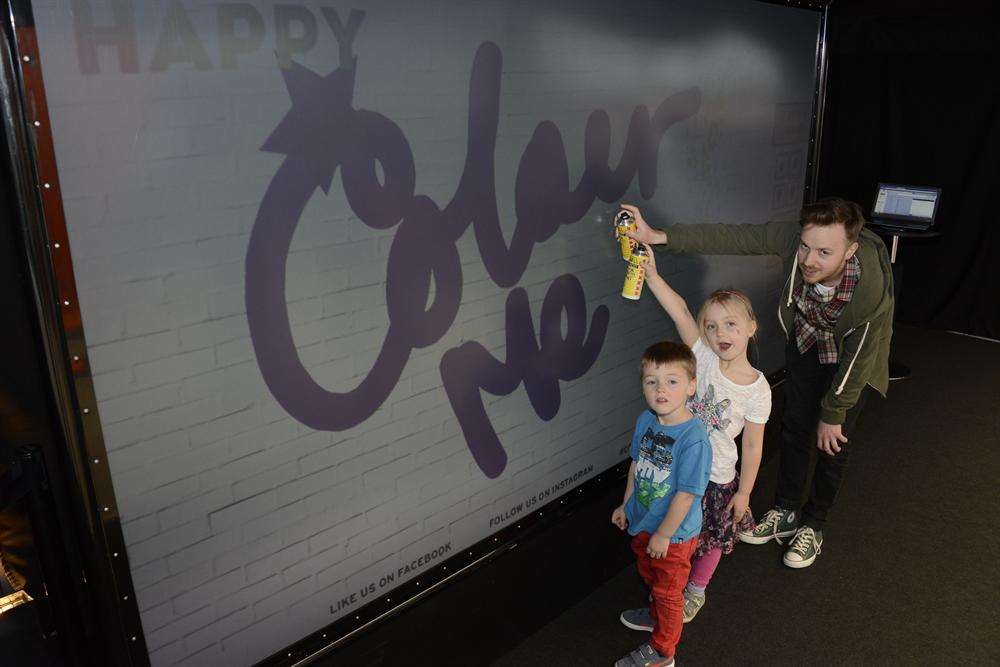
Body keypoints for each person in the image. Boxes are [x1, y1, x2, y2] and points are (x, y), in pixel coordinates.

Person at [620, 198, 893, 569]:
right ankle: (786, 510)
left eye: (824, 252)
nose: (809, 260)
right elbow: (735, 237)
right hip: (809, 340)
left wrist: (834, 411)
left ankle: (814, 524)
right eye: (805, 247)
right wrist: (658, 236)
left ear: (850, 251)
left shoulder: (869, 290)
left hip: (851, 356)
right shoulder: (800, 243)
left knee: (831, 440)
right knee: (795, 426)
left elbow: (860, 355)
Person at [638, 248, 771, 621]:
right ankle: (670, 585)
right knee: (677, 533)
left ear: (751, 327)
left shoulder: (757, 390)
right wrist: (651, 275)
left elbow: (753, 443)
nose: (718, 333)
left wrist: (744, 492)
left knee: (711, 537)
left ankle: (696, 590)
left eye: (730, 324)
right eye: (710, 326)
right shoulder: (703, 357)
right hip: (681, 468)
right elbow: (680, 309)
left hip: (715, 477)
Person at [611, 341, 712, 667]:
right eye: (651, 381)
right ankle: (656, 615)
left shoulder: (694, 438)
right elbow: (636, 466)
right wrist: (625, 506)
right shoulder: (646, 420)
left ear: (691, 386)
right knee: (652, 578)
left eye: (672, 381)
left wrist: (664, 535)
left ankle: (663, 652)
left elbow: (686, 495)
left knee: (669, 593)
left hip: (674, 535)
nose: (660, 390)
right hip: (644, 523)